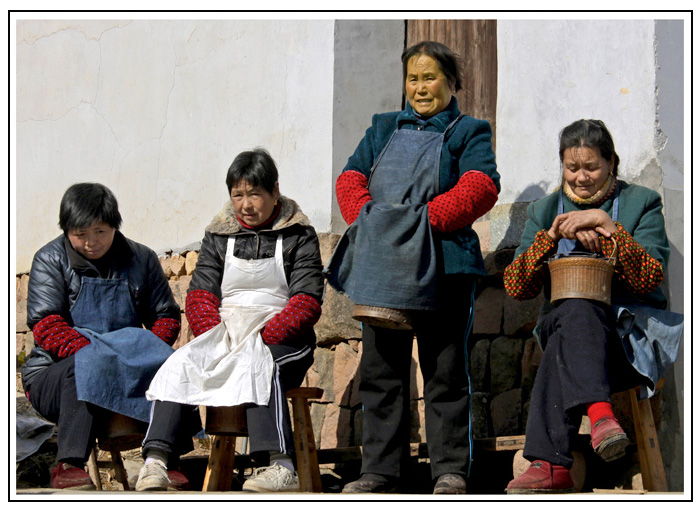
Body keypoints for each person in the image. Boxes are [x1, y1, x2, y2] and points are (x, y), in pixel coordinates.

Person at [325, 41, 500, 494]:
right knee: (381, 373)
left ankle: (449, 471)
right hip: (384, 267)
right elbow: (350, 178)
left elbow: (481, 186)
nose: (420, 88)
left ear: (451, 81)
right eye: (413, 78)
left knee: (444, 373)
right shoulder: (382, 128)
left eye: (430, 77)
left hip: (445, 267)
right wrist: (369, 219)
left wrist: (420, 222)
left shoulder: (469, 131)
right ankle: (379, 472)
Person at [503, 119, 683, 494]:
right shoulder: (546, 209)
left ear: (611, 163)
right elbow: (516, 286)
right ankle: (602, 416)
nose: (581, 177)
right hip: (570, 338)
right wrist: (549, 238)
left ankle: (551, 464)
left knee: (571, 319)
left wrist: (607, 227)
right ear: (562, 165)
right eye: (572, 168)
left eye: (591, 167)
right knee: (572, 309)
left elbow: (650, 277)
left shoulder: (641, 203)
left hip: (624, 345)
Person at [137, 148, 324, 492]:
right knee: (181, 362)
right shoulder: (219, 235)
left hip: (282, 336)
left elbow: (307, 300)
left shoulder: (299, 234)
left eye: (254, 194)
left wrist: (264, 336)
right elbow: (200, 294)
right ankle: (156, 460)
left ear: (275, 191)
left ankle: (280, 465)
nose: (246, 204)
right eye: (238, 194)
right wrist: (216, 337)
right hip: (227, 330)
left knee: (259, 363)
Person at [21, 183, 182, 491]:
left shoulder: (142, 259)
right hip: (56, 373)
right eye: (80, 234)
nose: (91, 243)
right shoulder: (49, 259)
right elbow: (46, 324)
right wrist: (101, 357)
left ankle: (163, 460)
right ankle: (69, 463)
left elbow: (166, 316)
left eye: (100, 232)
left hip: (128, 364)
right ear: (67, 230)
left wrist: (143, 354)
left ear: (114, 227)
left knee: (174, 365)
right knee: (84, 366)